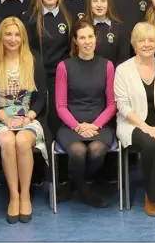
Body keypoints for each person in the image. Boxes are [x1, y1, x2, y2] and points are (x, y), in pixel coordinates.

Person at [0, 17, 47, 224]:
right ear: (1, 37)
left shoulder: (34, 60)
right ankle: (13, 196)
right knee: (8, 141)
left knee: (21, 141)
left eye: (17, 34)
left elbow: (40, 98)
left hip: (28, 117)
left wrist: (27, 118)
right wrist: (5, 119)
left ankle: (26, 194)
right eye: (8, 34)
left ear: (23, 37)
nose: (13, 39)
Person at [114, 22, 155, 216]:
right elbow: (123, 105)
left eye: (151, 40)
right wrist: (145, 127)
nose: (146, 44)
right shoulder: (123, 70)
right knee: (149, 144)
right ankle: (151, 197)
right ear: (134, 44)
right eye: (141, 40)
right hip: (132, 123)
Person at [55, 20, 117, 208]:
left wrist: (95, 125)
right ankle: (85, 191)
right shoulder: (64, 66)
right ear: (75, 41)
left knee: (97, 151)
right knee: (78, 152)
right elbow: (61, 106)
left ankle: (75, 185)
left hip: (100, 123)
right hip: (71, 124)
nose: (87, 41)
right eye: (82, 37)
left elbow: (112, 104)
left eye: (90, 36)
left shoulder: (107, 65)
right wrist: (78, 126)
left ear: (96, 40)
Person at [26, 0, 73, 132]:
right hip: (36, 74)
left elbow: (71, 48)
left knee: (55, 114)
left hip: (59, 75)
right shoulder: (30, 18)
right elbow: (27, 49)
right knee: (38, 114)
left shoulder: (68, 17)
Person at [85, 0, 131, 66]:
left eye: (103, 1)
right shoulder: (83, 27)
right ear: (90, 4)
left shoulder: (119, 27)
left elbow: (124, 59)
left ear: (108, 3)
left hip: (113, 75)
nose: (99, 5)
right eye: (95, 1)